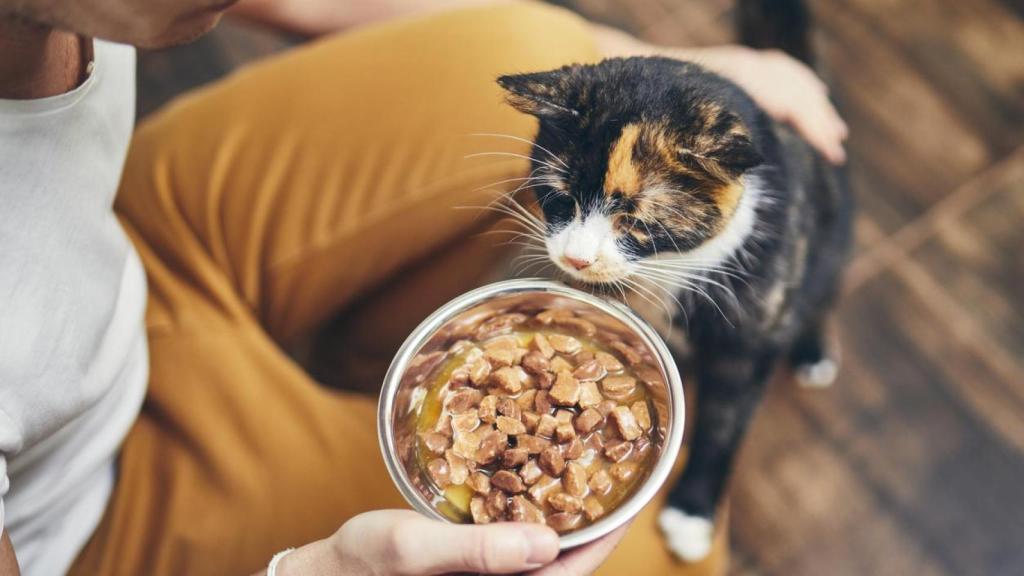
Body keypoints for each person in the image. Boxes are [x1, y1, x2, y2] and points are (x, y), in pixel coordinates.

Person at [0, 0, 847, 574]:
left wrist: (675, 79)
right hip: (89, 519)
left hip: (122, 240)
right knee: (652, 556)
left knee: (515, 40)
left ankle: (352, 353)